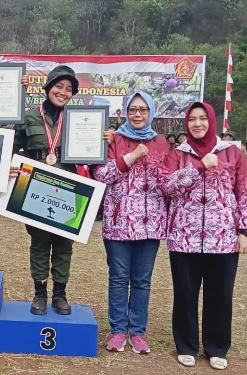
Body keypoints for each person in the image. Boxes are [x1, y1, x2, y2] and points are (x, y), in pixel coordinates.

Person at [160, 102, 247, 370]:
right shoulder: (178, 154)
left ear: (212, 120)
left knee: (220, 294)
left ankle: (217, 347)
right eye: (192, 120)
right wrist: (197, 167)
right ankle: (186, 345)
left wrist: (243, 230)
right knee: (185, 294)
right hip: (184, 237)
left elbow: (243, 190)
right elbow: (167, 187)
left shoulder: (233, 152)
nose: (197, 124)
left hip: (222, 238)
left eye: (202, 119)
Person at [94, 92, 169, 354]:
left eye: (143, 110)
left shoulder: (162, 143)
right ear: (126, 111)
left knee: (142, 281)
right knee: (118, 278)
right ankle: (117, 330)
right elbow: (101, 175)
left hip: (151, 225)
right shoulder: (114, 139)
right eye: (133, 110)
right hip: (118, 223)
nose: (138, 115)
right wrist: (130, 156)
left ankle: (137, 331)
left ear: (151, 112)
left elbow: (169, 181)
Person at [11, 65, 80, 315]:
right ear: (48, 87)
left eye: (69, 89)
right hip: (36, 188)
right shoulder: (29, 117)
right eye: (59, 86)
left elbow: (92, 153)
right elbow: (12, 146)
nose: (63, 92)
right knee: (39, 242)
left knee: (64, 244)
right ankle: (39, 293)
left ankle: (59, 294)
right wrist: (9, 168)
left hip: (69, 187)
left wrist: (103, 139)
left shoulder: (79, 120)